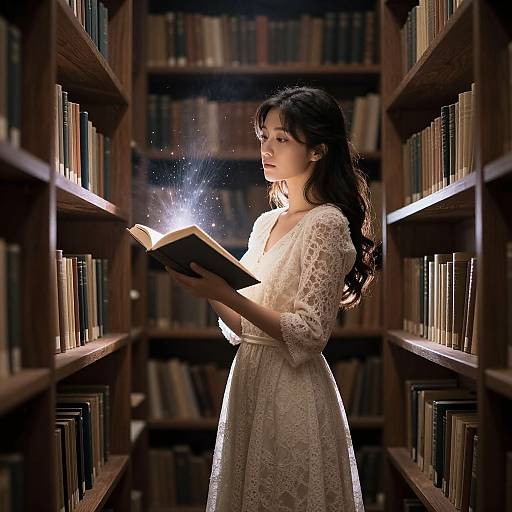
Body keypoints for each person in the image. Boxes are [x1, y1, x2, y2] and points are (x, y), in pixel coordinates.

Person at [166, 86, 376, 511]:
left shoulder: (327, 224)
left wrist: (224, 293)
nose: (266, 148)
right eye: (264, 136)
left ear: (317, 150)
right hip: (248, 381)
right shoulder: (265, 223)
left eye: (281, 138)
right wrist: (204, 285)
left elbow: (310, 333)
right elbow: (242, 327)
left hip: (292, 390)